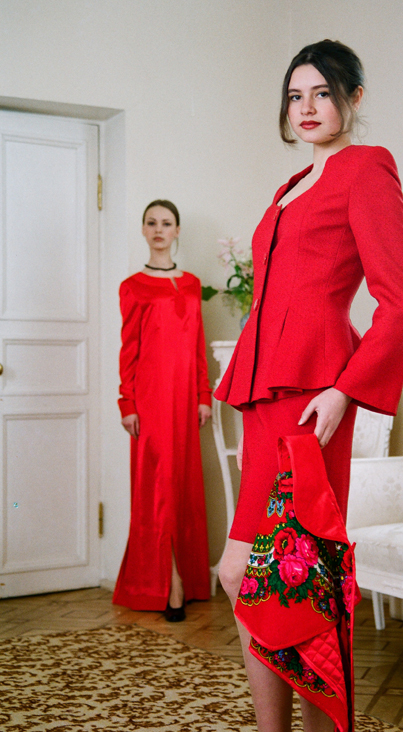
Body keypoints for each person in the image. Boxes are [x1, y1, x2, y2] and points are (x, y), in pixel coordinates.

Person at [215, 40, 403, 731]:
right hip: (262, 395)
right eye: (295, 96)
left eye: (322, 93)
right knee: (251, 573)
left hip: (312, 400)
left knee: (299, 577)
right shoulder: (290, 186)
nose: (306, 108)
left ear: (353, 98)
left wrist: (345, 390)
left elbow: (399, 302)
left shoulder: (367, 167)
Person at [113, 199, 212, 622]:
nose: (158, 229)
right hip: (150, 401)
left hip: (186, 400)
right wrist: (128, 402)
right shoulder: (133, 286)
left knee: (183, 487)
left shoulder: (191, 284)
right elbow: (128, 350)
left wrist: (204, 395)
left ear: (176, 231)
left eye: (166, 223)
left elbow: (198, 345)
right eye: (151, 223)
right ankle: (169, 585)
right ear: (143, 230)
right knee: (158, 490)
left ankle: (188, 580)